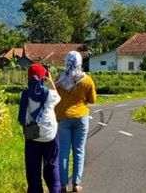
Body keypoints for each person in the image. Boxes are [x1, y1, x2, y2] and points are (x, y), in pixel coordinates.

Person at [55, 51, 97, 193]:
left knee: (64, 152)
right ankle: (77, 184)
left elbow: (54, 97)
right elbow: (92, 100)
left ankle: (62, 185)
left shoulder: (60, 80)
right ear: (80, 63)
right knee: (79, 150)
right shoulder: (86, 80)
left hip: (63, 118)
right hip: (81, 118)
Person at [19, 63, 62, 193]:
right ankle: (54, 190)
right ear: (43, 78)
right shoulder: (49, 94)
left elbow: (22, 116)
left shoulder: (24, 95)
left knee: (33, 171)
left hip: (32, 137)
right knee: (52, 167)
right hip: (50, 136)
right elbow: (58, 96)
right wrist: (50, 80)